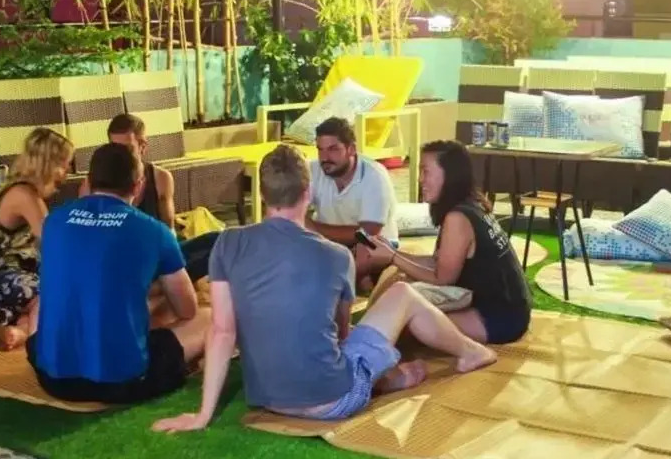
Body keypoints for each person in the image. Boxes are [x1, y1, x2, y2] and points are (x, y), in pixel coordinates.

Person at [150, 144, 496, 433]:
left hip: (268, 398)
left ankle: (396, 375)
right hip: (334, 400)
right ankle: (468, 353)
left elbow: (222, 331)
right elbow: (341, 336)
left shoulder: (228, 243)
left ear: (263, 194)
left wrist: (202, 415)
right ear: (308, 193)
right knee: (403, 295)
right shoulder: (337, 256)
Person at [28, 143, 210, 404]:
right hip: (121, 383)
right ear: (138, 186)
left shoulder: (53, 221)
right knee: (207, 317)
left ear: (88, 182)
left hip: (52, 380)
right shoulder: (154, 231)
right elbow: (187, 309)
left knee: (42, 303)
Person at [368, 140, 533, 345]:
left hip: (499, 318)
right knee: (398, 281)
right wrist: (391, 254)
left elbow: (442, 278)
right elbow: (438, 262)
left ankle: (471, 355)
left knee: (402, 321)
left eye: (426, 171)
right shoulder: (469, 205)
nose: (420, 179)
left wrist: (393, 257)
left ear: (449, 175)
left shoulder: (458, 218)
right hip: (503, 306)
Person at [79, 113, 218, 281]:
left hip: (154, 256)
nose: (120, 156)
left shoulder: (160, 178)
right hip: (116, 262)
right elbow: (85, 234)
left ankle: (161, 284)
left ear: (142, 147)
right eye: (114, 148)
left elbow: (169, 231)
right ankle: (160, 287)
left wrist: (165, 260)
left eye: (127, 149)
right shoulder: (95, 181)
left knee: (219, 241)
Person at [0, 127, 74, 350]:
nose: (68, 171)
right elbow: (54, 244)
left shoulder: (19, 188)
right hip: (0, 283)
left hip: (8, 275)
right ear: (49, 163)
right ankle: (39, 346)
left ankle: (19, 330)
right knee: (61, 294)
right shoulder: (24, 195)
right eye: (65, 163)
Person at [305, 117, 398, 288]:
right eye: (320, 150)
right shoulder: (314, 170)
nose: (325, 158)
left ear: (351, 149)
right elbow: (292, 207)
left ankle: (341, 287)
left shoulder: (374, 176)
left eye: (333, 149)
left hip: (375, 246)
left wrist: (314, 228)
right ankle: (354, 281)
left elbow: (368, 233)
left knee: (365, 250)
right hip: (330, 244)